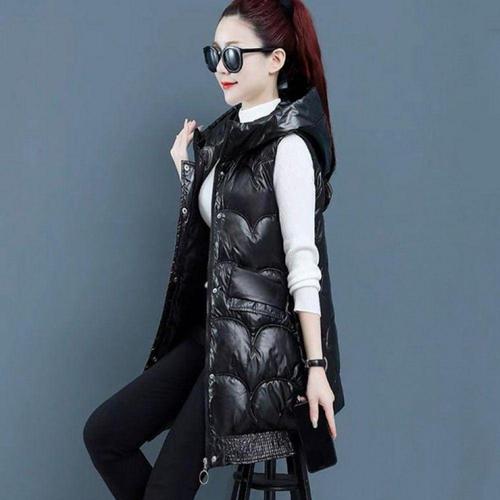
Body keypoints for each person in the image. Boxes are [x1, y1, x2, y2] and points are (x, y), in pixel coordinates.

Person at [83, 1, 345, 498]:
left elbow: (303, 264)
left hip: (259, 352)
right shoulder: (226, 138)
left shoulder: (289, 147)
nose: (221, 68)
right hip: (213, 331)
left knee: (166, 489)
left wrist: (317, 369)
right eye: (214, 54)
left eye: (234, 55)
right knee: (105, 435)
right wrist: (189, 172)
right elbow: (227, 228)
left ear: (275, 60)